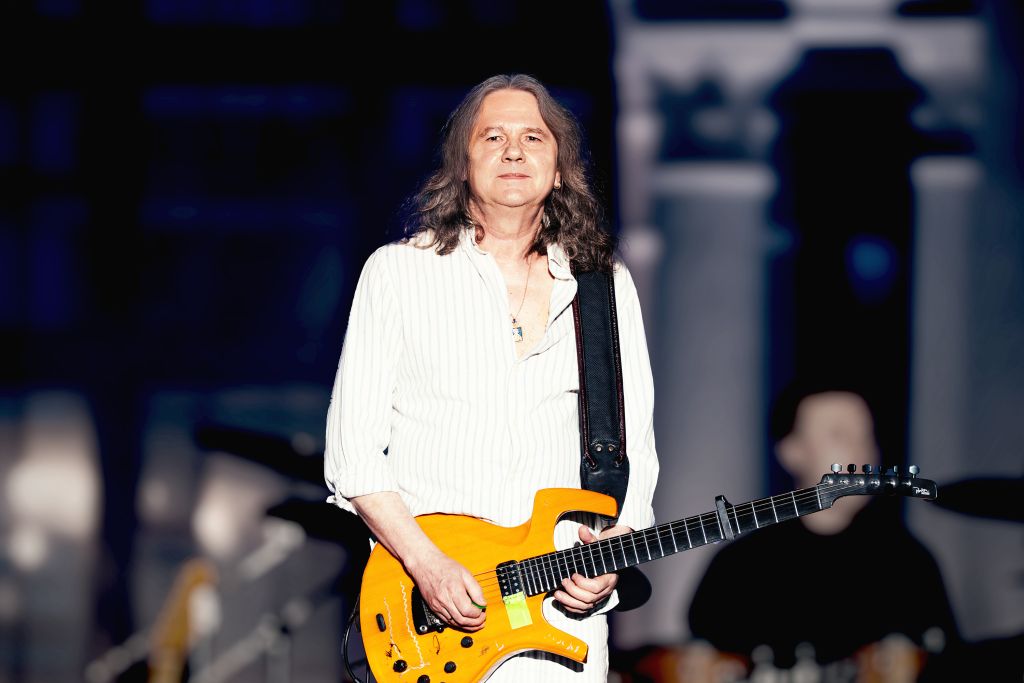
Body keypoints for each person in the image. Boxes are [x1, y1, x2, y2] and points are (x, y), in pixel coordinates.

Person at [323, 74, 659, 681]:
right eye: (493, 137)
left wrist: (613, 551)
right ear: (462, 165)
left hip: (561, 619)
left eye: (533, 137)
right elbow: (353, 457)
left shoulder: (605, 286)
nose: (513, 151)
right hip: (432, 619)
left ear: (559, 170)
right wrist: (427, 564)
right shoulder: (399, 273)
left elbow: (634, 449)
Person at [685, 382, 959, 678]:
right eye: (839, 434)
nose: (860, 451)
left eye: (866, 436)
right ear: (792, 451)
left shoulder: (909, 563)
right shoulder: (738, 567)